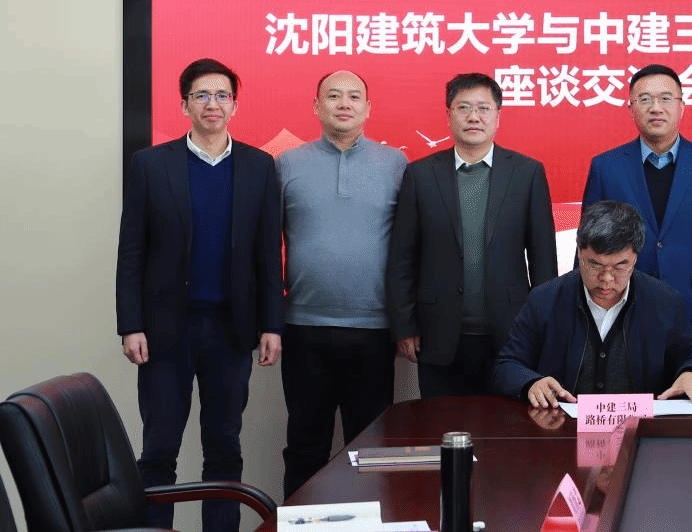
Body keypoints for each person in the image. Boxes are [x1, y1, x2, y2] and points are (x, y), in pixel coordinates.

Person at [115, 58, 283, 532]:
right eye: (202, 95)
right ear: (184, 104)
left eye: (222, 95)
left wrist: (271, 324)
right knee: (159, 449)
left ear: (235, 105)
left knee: (224, 448)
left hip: (231, 330)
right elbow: (132, 250)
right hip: (165, 331)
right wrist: (131, 325)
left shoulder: (258, 166)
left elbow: (268, 254)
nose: (213, 104)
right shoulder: (151, 164)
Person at [277, 70, 408, 497]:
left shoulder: (395, 165)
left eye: (354, 96)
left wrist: (406, 322)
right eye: (333, 96)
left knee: (369, 450)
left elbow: (410, 248)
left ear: (368, 108)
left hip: (374, 331)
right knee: (304, 446)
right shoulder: (287, 164)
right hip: (304, 328)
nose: (344, 104)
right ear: (316, 106)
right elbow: (263, 246)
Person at [387, 72, 556, 397]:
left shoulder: (527, 173)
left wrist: (543, 327)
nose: (474, 117)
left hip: (511, 332)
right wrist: (404, 326)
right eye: (463, 107)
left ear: (498, 116)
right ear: (449, 114)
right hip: (437, 332)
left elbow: (543, 260)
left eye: (483, 108)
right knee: (440, 424)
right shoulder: (420, 174)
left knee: (506, 426)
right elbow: (402, 257)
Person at [581, 64, 692, 363]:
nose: (656, 108)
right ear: (631, 108)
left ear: (681, 106)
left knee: (691, 391)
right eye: (644, 99)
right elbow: (588, 251)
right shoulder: (606, 167)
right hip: (622, 314)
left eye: (666, 98)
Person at [493, 200, 692, 408]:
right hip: (561, 428)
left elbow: (689, 357)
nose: (607, 279)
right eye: (595, 265)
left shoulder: (665, 302)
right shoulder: (545, 299)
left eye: (620, 266)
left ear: (635, 259)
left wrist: (691, 373)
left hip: (640, 430)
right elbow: (507, 365)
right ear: (579, 253)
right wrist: (531, 383)